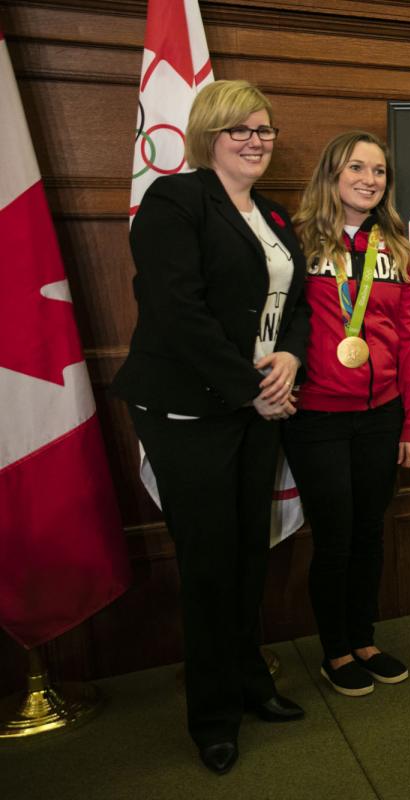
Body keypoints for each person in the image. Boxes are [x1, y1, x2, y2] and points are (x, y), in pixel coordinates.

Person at [113, 79, 310, 774]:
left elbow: (297, 305)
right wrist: (249, 388)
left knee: (249, 556)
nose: (256, 141)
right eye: (240, 131)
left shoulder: (275, 218)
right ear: (208, 137)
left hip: (258, 405)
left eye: (265, 130)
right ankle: (213, 715)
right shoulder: (175, 202)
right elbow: (177, 310)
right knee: (208, 564)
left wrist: (289, 354)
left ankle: (253, 683)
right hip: (192, 410)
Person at [285, 132, 410, 697]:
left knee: (370, 532)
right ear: (332, 174)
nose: (370, 179)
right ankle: (335, 650)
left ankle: (364, 639)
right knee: (336, 536)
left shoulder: (399, 251)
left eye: (379, 171)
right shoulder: (296, 243)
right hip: (316, 416)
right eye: (357, 168)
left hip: (381, 415)